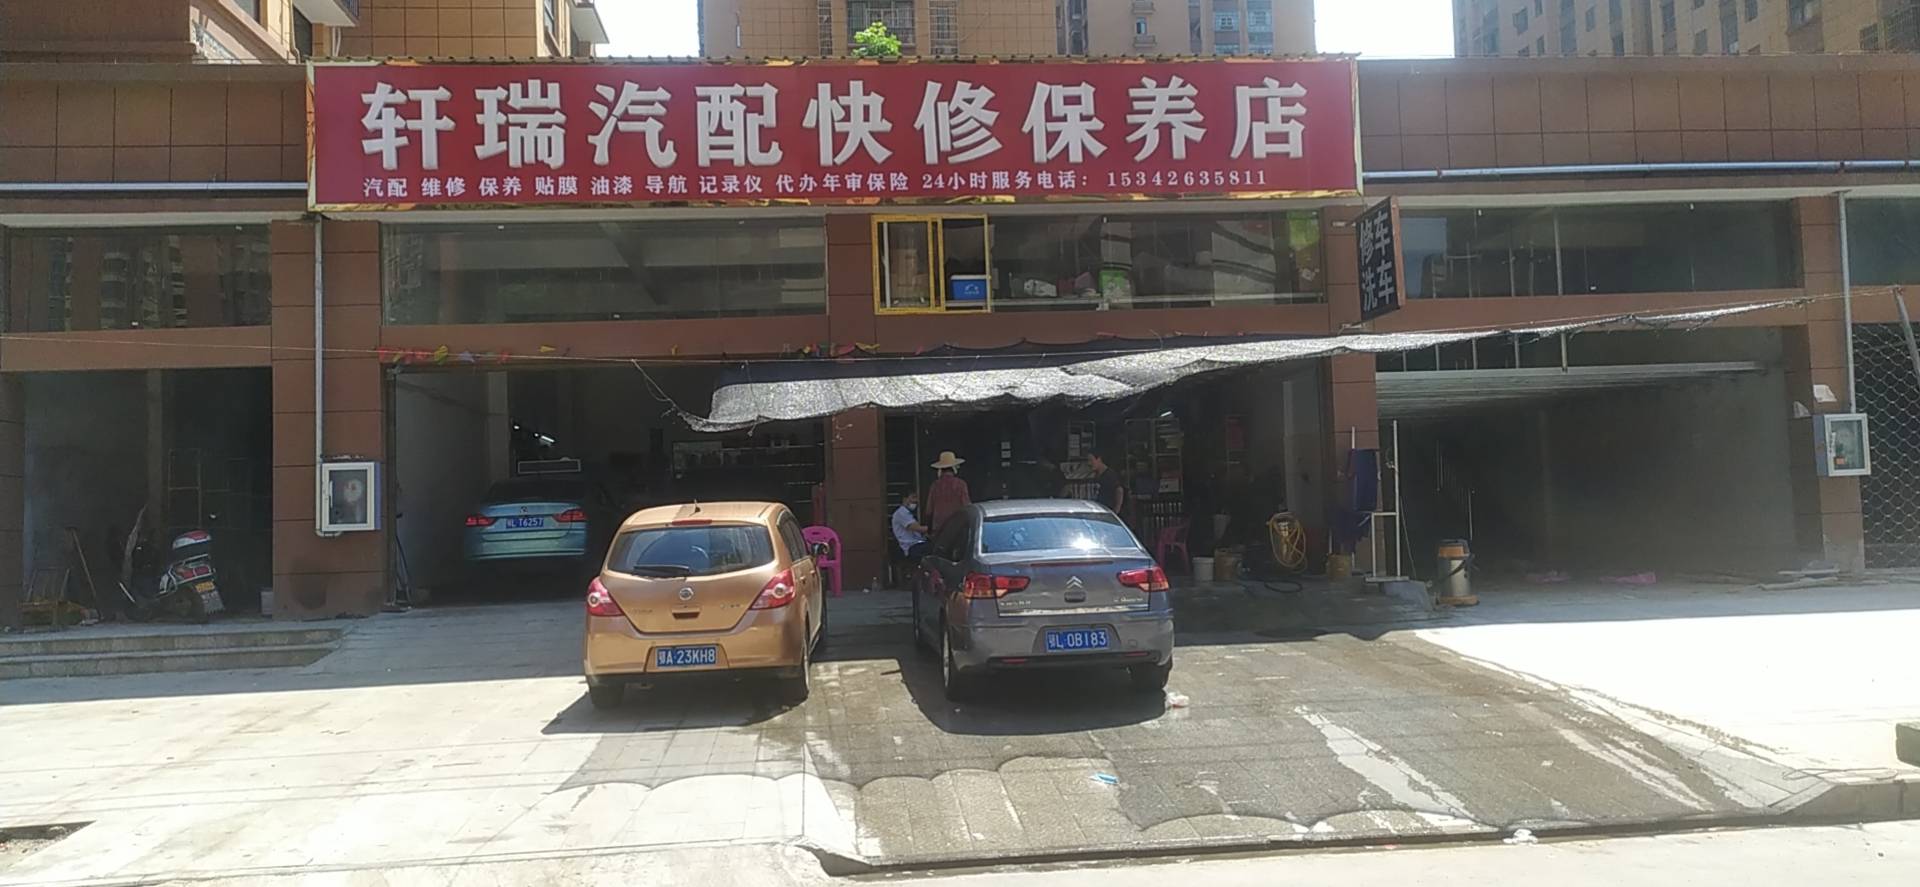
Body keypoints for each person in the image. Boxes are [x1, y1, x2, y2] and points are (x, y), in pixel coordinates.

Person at [925, 451, 973, 532]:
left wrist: (929, 529)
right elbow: (967, 506)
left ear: (941, 469)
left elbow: (929, 510)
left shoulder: (935, 485)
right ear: (954, 468)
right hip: (957, 527)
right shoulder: (961, 484)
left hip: (939, 528)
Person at [892, 490, 931, 559]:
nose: (916, 500)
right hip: (912, 547)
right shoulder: (901, 513)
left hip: (918, 544)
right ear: (905, 499)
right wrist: (935, 529)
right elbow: (918, 528)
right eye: (913, 497)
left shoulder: (907, 513)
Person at [1088, 452, 1126, 517]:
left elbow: (1119, 490)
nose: (1089, 463)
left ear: (1099, 459)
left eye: (1091, 460)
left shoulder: (1110, 475)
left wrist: (1116, 510)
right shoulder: (1095, 475)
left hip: (1108, 510)